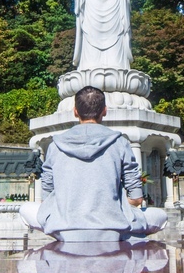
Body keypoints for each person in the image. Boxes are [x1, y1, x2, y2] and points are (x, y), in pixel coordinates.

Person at [20, 86, 167, 241]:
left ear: (75, 111)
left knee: (25, 209)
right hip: (112, 227)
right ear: (104, 110)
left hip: (64, 228)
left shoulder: (55, 145)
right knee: (161, 216)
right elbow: (137, 198)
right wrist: (117, 205)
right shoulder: (120, 143)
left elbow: (46, 198)